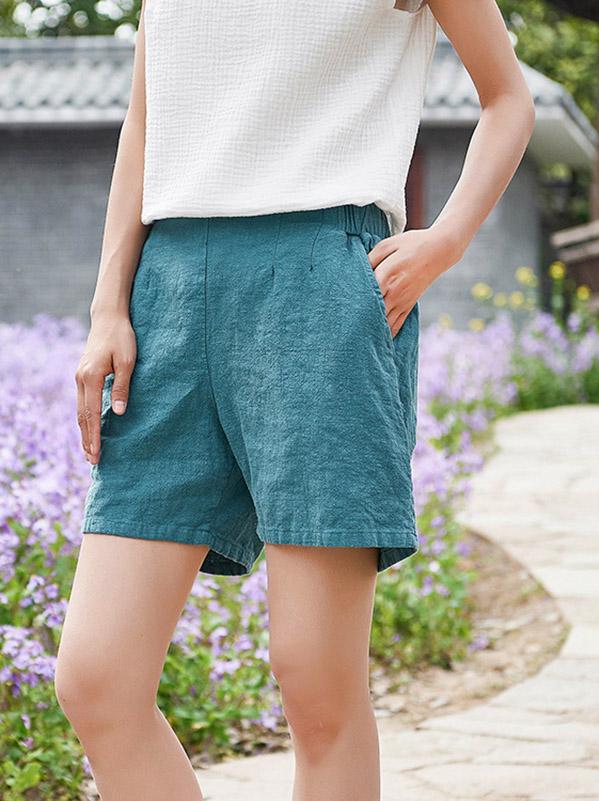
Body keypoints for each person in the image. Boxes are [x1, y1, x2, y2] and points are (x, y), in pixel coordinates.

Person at [54, 1, 535, 799]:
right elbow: (147, 117)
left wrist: (446, 238)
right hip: (166, 295)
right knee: (97, 676)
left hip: (320, 289)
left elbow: (507, 96)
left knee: (316, 683)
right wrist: (109, 304)